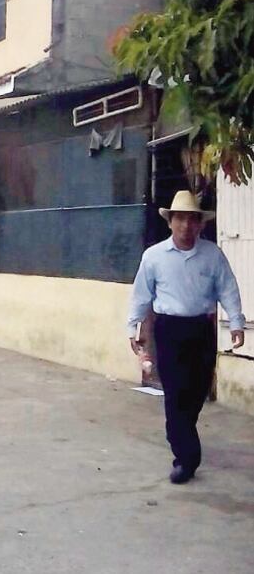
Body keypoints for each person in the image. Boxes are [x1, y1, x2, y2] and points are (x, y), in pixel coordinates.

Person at [128, 191, 244, 485]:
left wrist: (236, 323)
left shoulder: (212, 255)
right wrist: (134, 329)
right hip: (169, 331)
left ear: (199, 224)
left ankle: (180, 434)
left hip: (201, 331)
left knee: (196, 393)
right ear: (170, 222)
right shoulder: (153, 257)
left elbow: (227, 288)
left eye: (192, 220)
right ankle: (186, 458)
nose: (185, 226)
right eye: (180, 219)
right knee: (176, 395)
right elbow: (141, 296)